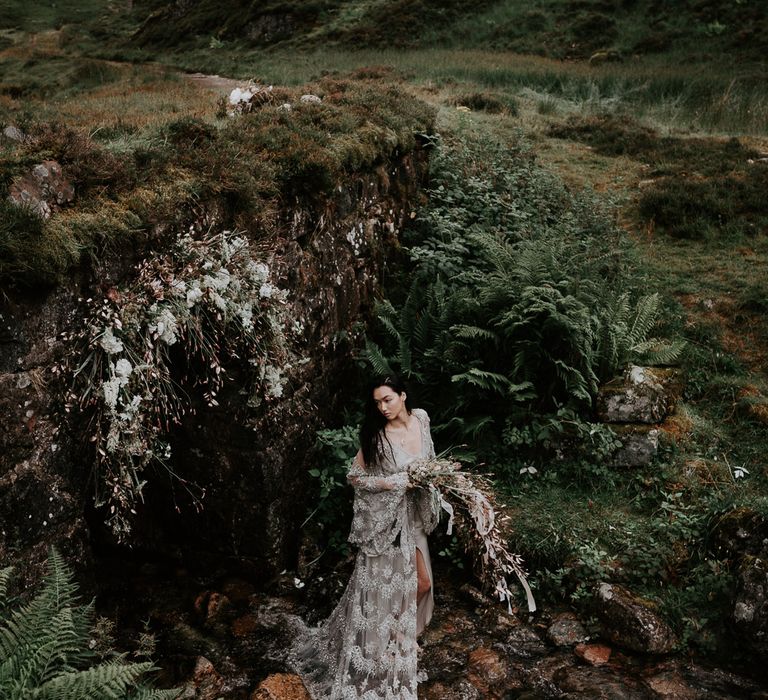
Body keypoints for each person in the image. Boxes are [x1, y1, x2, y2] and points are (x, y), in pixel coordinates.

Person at [291, 374, 439, 699]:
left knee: (422, 585)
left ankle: (402, 636)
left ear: (402, 395)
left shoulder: (422, 420)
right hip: (391, 523)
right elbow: (354, 476)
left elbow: (430, 459)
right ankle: (392, 642)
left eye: (387, 399)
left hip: (414, 518)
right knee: (411, 584)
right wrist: (392, 483)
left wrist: (433, 479)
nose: (383, 407)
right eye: (377, 403)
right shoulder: (379, 438)